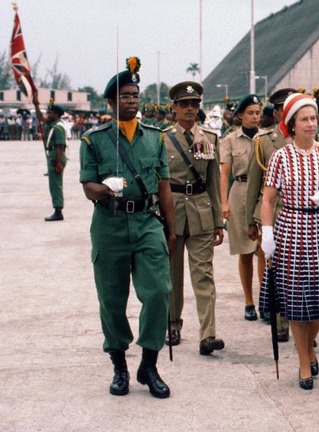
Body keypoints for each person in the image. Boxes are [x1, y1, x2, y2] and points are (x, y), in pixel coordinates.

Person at [79, 57, 175, 399]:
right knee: (111, 299)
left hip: (147, 222)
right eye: (125, 95)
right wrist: (106, 188)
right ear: (111, 101)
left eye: (135, 94)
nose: (132, 100)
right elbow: (87, 185)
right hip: (109, 224)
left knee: (158, 293)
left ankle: (149, 364)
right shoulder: (94, 140)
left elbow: (164, 185)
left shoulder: (155, 138)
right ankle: (119, 365)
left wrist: (171, 230)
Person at [260, 93, 319, 390]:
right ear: (291, 125)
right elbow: (268, 198)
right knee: (297, 298)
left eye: (313, 118)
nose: (311, 124)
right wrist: (267, 232)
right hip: (291, 227)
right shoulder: (280, 157)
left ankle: (308, 346)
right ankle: (302, 362)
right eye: (304, 119)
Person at [164, 81, 226, 356]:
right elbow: (159, 183)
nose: (190, 109)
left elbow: (213, 183)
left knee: (204, 275)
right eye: (184, 105)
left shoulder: (210, 139)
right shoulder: (162, 138)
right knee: (172, 275)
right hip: (172, 213)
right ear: (175, 108)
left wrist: (217, 221)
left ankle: (208, 334)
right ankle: (172, 325)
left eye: (194, 104)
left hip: (200, 212)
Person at [246, 89, 296, 343]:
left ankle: (301, 321)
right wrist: (249, 221)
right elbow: (254, 185)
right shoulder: (264, 140)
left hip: (303, 212)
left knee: (302, 270)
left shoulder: (310, 137)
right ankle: (280, 321)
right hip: (274, 212)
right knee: (276, 268)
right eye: (284, 108)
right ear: (277, 113)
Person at [220, 94, 262, 321]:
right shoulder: (229, 140)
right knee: (245, 251)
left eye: (258, 113)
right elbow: (224, 174)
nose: (255, 117)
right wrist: (224, 203)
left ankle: (265, 298)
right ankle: (249, 301)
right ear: (240, 116)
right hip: (240, 193)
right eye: (251, 113)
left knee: (265, 249)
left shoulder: (267, 138)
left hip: (263, 196)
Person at [44, 103, 67, 221]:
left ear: (56, 114)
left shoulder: (58, 127)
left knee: (55, 185)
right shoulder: (54, 124)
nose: (48, 114)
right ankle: (57, 210)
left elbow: (60, 146)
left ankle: (58, 211)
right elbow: (41, 118)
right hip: (54, 155)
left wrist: (58, 163)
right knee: (54, 184)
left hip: (56, 156)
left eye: (50, 112)